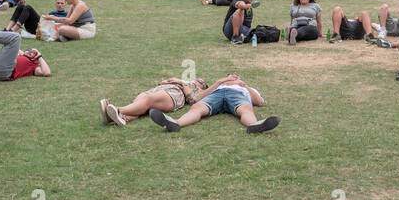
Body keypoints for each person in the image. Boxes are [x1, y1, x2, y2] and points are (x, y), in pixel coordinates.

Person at [148, 74, 280, 133]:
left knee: (245, 109)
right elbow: (198, 97)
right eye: (230, 76)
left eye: (236, 76)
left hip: (237, 96)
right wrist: (219, 82)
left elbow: (260, 102)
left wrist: (244, 85)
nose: (233, 78)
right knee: (197, 108)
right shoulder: (218, 86)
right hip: (216, 95)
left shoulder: (244, 88)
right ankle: (176, 124)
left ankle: (254, 125)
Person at [100, 76, 209, 126]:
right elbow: (161, 82)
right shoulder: (181, 80)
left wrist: (182, 83)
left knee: (148, 99)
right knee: (143, 97)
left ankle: (118, 110)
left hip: (174, 94)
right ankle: (123, 118)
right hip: (160, 90)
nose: (198, 80)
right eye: (198, 79)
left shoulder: (197, 90)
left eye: (201, 82)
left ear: (202, 87)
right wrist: (168, 81)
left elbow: (191, 100)